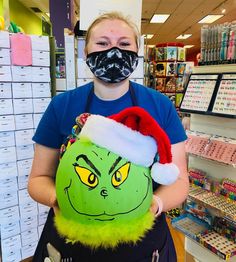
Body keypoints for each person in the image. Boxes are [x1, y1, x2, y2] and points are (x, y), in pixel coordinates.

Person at [28, 11, 189, 262]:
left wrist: (155, 203)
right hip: (73, 240)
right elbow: (38, 178)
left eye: (124, 44)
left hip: (144, 242)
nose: (113, 51)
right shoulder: (62, 106)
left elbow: (179, 179)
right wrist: (61, 199)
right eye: (102, 43)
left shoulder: (159, 106)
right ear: (85, 52)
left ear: (137, 52)